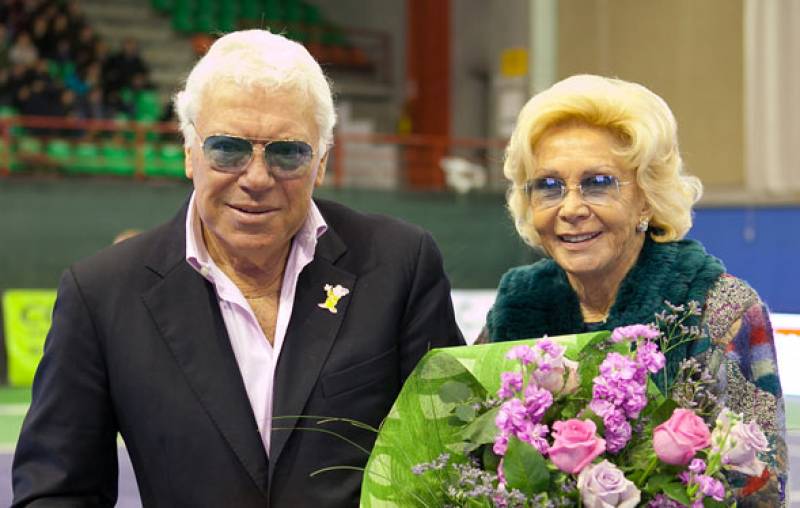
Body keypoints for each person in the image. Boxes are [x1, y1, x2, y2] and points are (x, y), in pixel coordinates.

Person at [12, 29, 464, 507]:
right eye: (228, 148)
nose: (257, 178)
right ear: (189, 153)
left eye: (288, 153)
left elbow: (455, 459)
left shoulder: (399, 264)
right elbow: (56, 492)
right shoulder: (101, 294)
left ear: (321, 162)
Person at [483, 74, 786, 506]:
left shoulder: (721, 308)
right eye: (549, 187)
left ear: (646, 197)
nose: (571, 208)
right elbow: (469, 457)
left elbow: (761, 488)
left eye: (598, 183)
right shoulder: (516, 305)